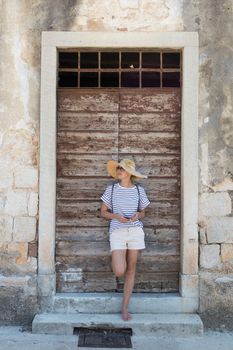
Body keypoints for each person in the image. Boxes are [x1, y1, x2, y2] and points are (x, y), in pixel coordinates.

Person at [100, 158, 150, 321]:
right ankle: (120, 263)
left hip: (135, 230)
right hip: (117, 231)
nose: (119, 171)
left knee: (131, 269)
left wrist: (138, 215)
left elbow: (143, 212)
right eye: (118, 168)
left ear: (130, 173)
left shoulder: (139, 191)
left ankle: (125, 307)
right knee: (119, 270)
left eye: (122, 169)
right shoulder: (111, 189)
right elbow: (103, 212)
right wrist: (116, 216)